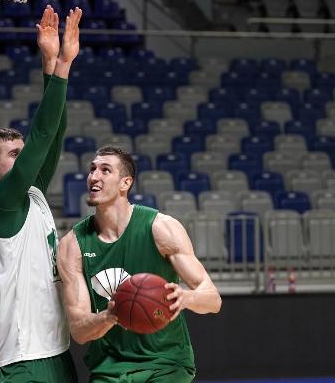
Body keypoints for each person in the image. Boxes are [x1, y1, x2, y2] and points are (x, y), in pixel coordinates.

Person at [0, 6, 82, 383]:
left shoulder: (34, 196)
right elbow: (39, 137)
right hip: (21, 357)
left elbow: (51, 136)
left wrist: (51, 63)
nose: (26, 160)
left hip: (56, 348)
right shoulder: (1, 204)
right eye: (14, 155)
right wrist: (64, 65)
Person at [57, 146, 222, 383]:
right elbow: (80, 332)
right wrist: (109, 316)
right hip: (110, 368)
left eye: (105, 170)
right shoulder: (72, 245)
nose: (94, 176)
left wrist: (185, 299)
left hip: (166, 363)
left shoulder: (161, 228)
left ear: (125, 183)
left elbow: (213, 300)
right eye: (92, 169)